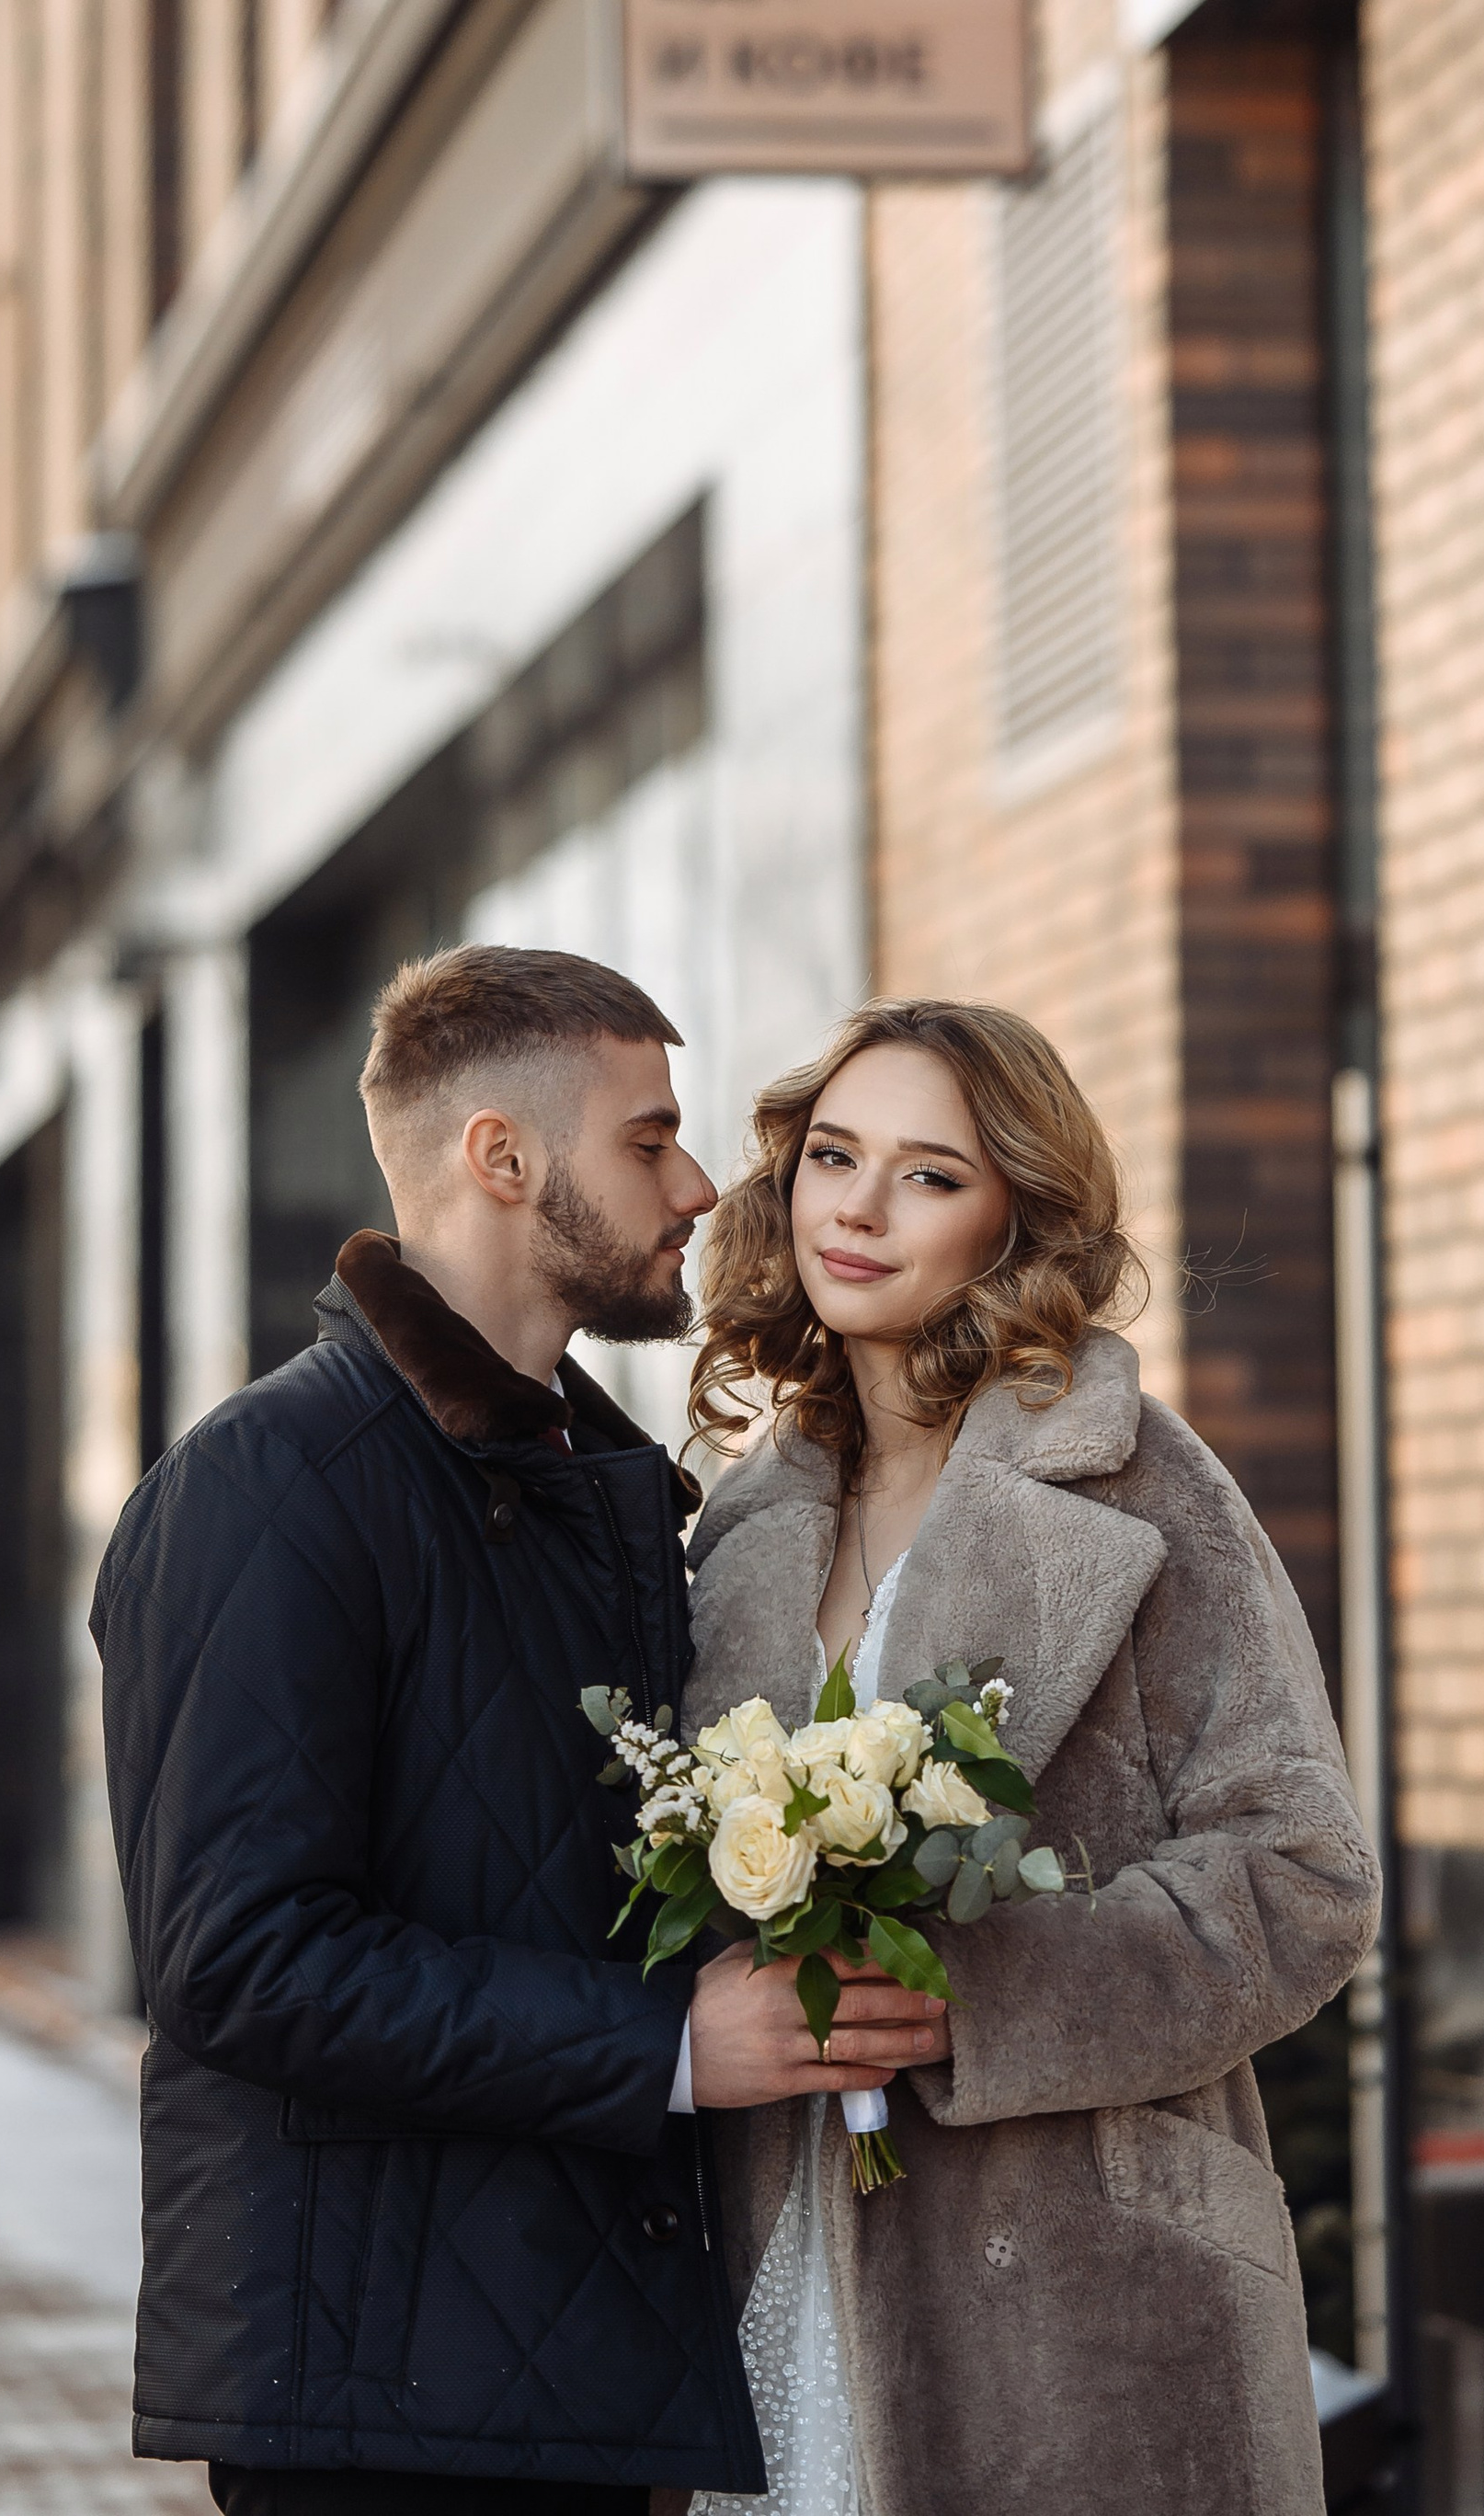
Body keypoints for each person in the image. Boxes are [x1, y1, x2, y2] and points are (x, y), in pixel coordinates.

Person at [90, 944, 952, 2516]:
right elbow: (236, 1960)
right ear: (501, 1156)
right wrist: (673, 2047)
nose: (697, 1187)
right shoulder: (270, 1488)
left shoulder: (601, 1495)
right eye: (647, 1138)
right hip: (391, 2417)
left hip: (588, 2384)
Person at [676, 996, 1381, 2516]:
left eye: (930, 1175)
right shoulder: (743, 1522)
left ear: (1015, 1223)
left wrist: (962, 2002)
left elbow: (1306, 1877)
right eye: (835, 1157)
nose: (857, 1210)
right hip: (776, 2255)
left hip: (1077, 2299)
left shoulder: (1140, 1490)